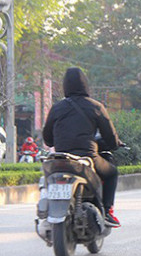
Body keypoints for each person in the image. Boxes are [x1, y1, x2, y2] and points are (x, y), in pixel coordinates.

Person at [43, 67, 123, 227]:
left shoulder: (56, 108)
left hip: (60, 159)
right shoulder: (95, 106)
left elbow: (48, 140)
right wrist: (115, 144)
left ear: (65, 85)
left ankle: (46, 212)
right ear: (85, 85)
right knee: (112, 172)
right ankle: (107, 211)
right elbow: (110, 138)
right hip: (87, 158)